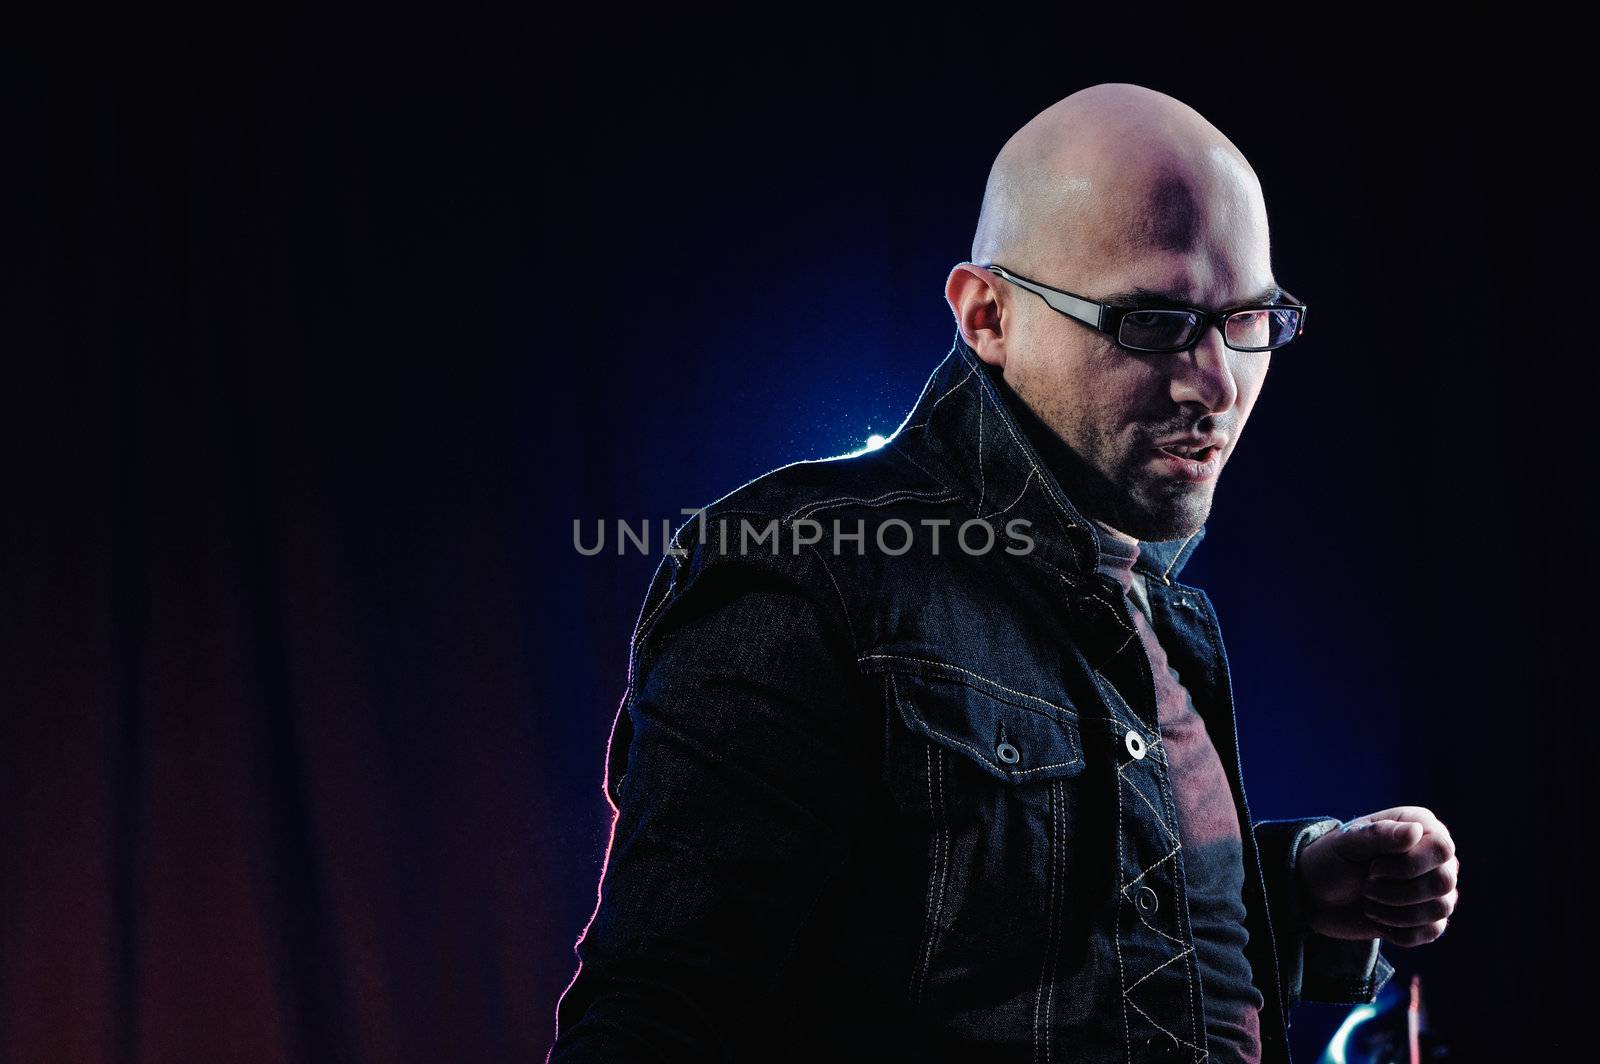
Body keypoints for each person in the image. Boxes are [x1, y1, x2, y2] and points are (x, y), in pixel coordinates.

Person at [547, 82, 1460, 1063]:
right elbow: (665, 1015)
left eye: (1248, 318)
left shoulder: (1142, 600)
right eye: (1151, 320)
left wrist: (1292, 889)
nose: (1216, 381)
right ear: (988, 314)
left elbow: (1031, 958)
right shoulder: (805, 567)